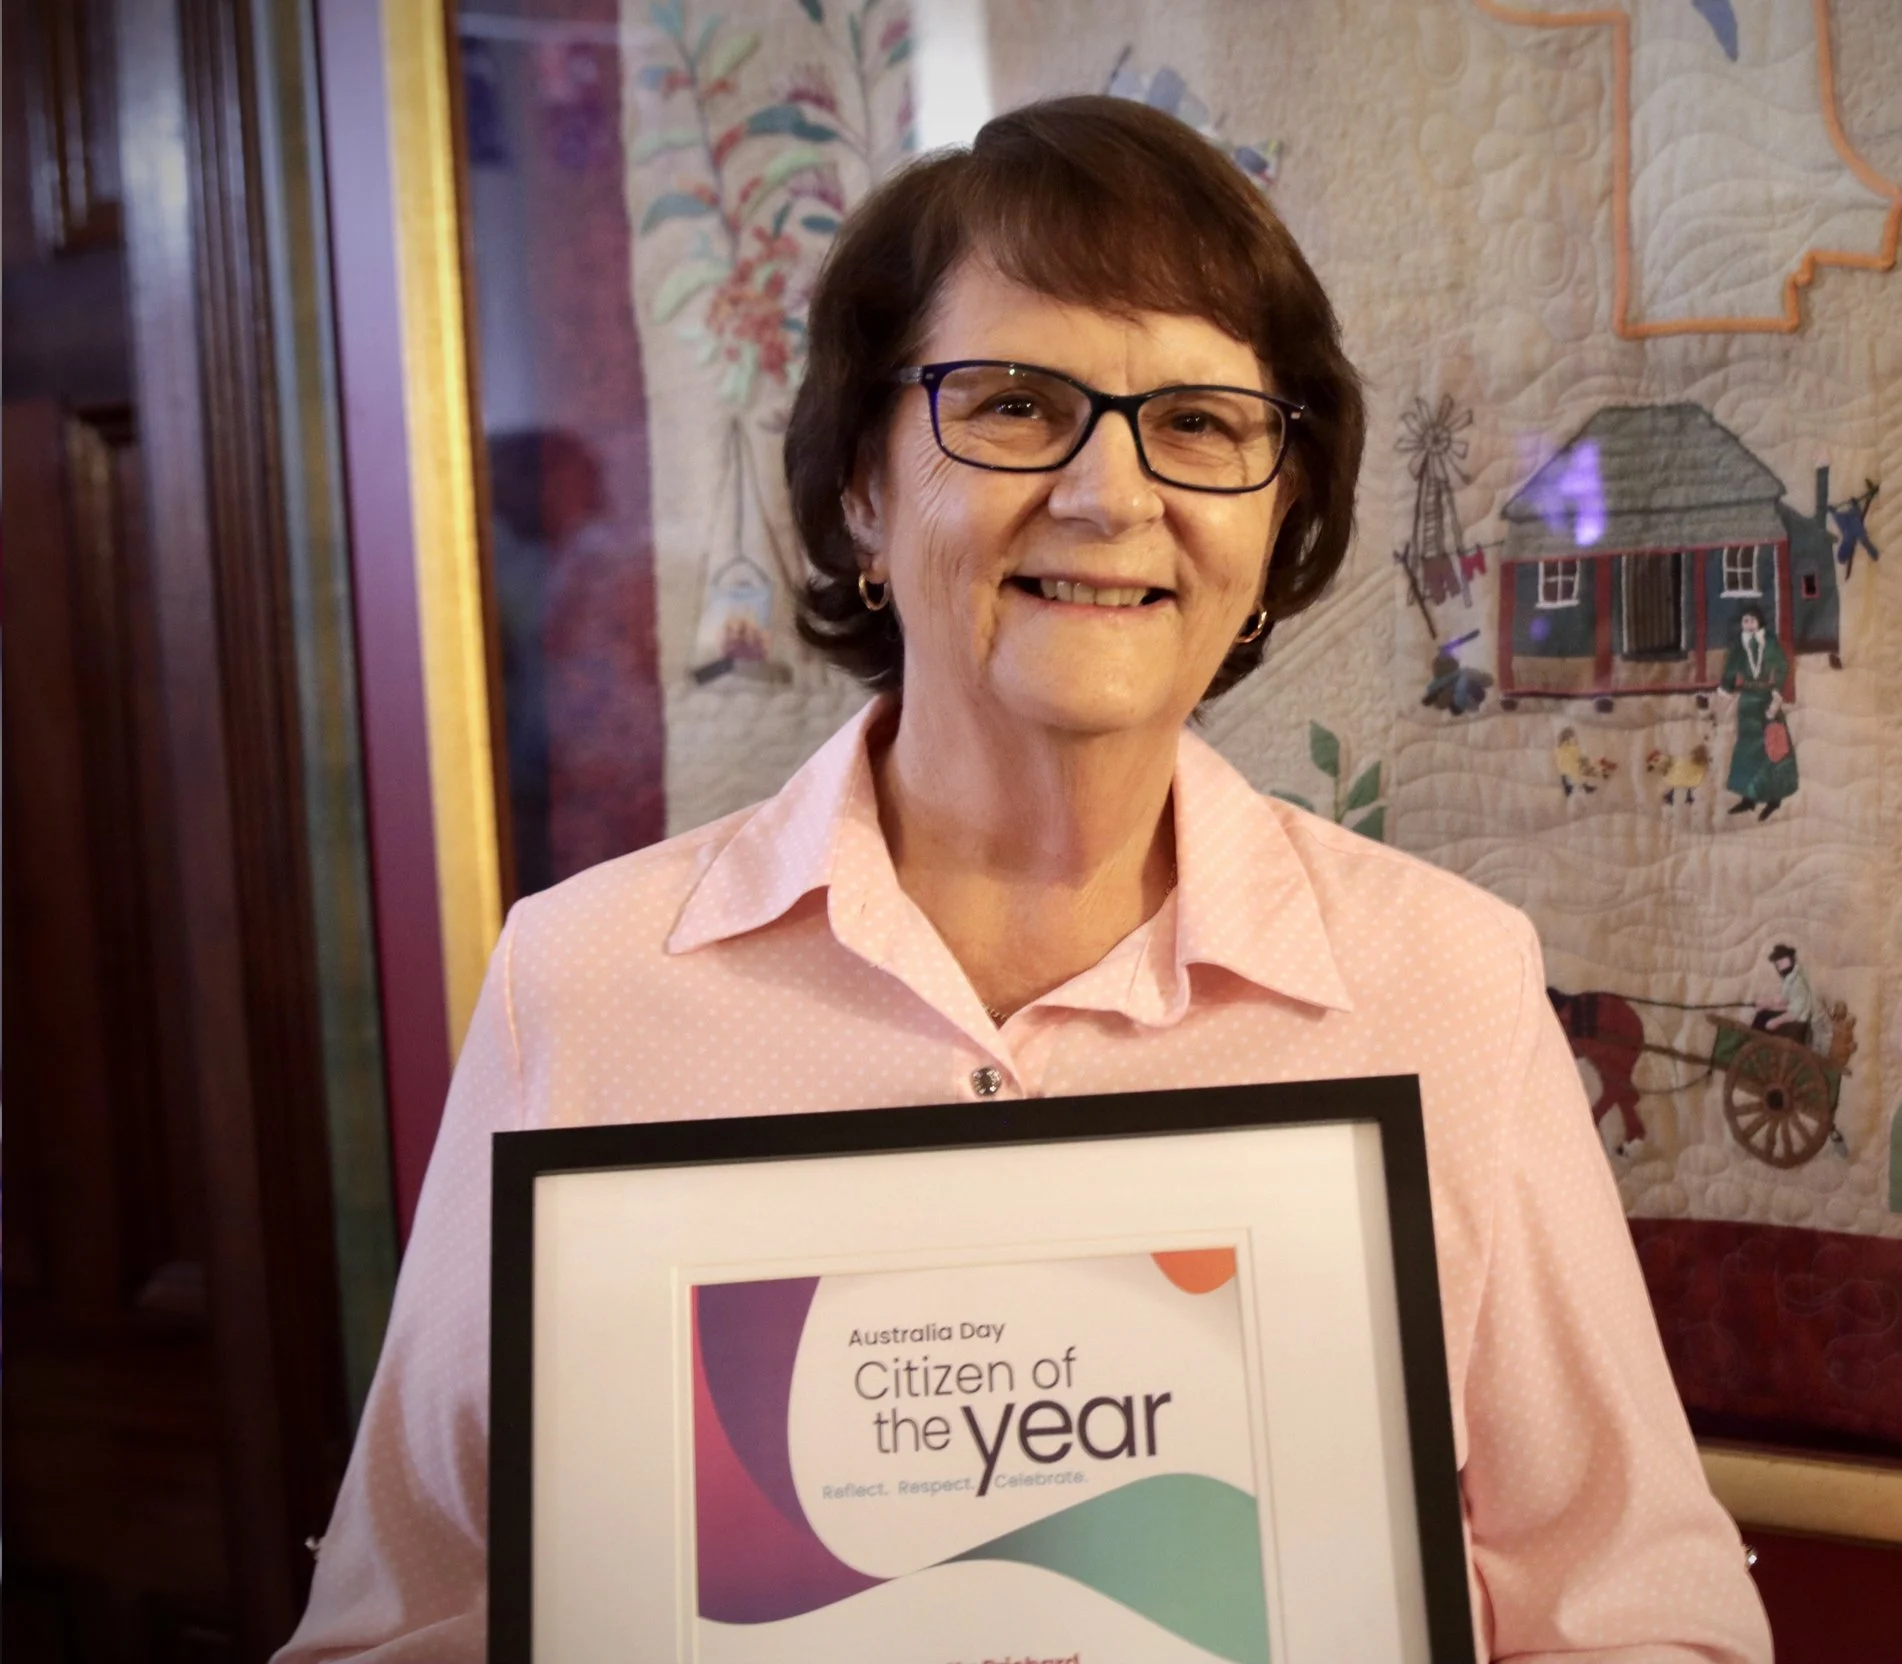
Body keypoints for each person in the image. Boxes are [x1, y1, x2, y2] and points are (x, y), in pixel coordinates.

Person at [276, 97, 1768, 1663]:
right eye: (1008, 405)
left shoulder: (1443, 988)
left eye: (1199, 422)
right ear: (863, 482)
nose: (1111, 495)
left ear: (1279, 514)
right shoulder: (585, 985)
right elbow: (402, 1629)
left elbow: (1651, 1621)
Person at [1720, 605, 1796, 821]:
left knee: (1774, 747)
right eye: (1745, 621)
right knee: (1747, 749)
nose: (1749, 625)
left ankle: (1775, 798)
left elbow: (1782, 667)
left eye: (1753, 620)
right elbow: (1730, 669)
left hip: (1767, 698)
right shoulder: (1739, 647)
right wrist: (1725, 689)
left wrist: (1777, 695)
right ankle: (1748, 798)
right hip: (1748, 701)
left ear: (1760, 622)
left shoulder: (1770, 644)